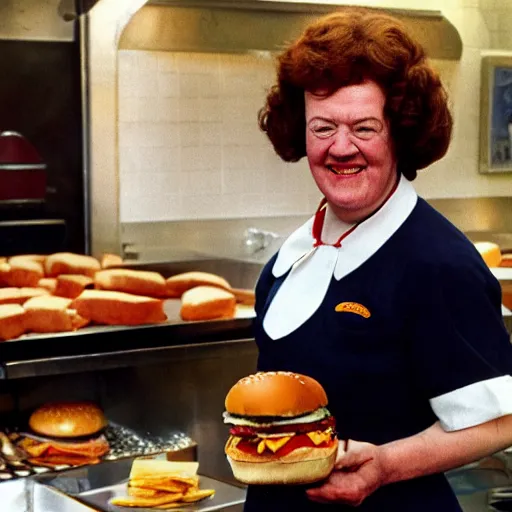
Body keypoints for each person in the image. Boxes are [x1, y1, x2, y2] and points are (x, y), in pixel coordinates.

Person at [247, 7, 512, 512]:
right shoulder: (289, 258)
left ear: (400, 131)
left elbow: (501, 419)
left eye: (364, 128)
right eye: (322, 127)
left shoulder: (438, 263)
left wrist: (386, 465)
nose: (340, 148)